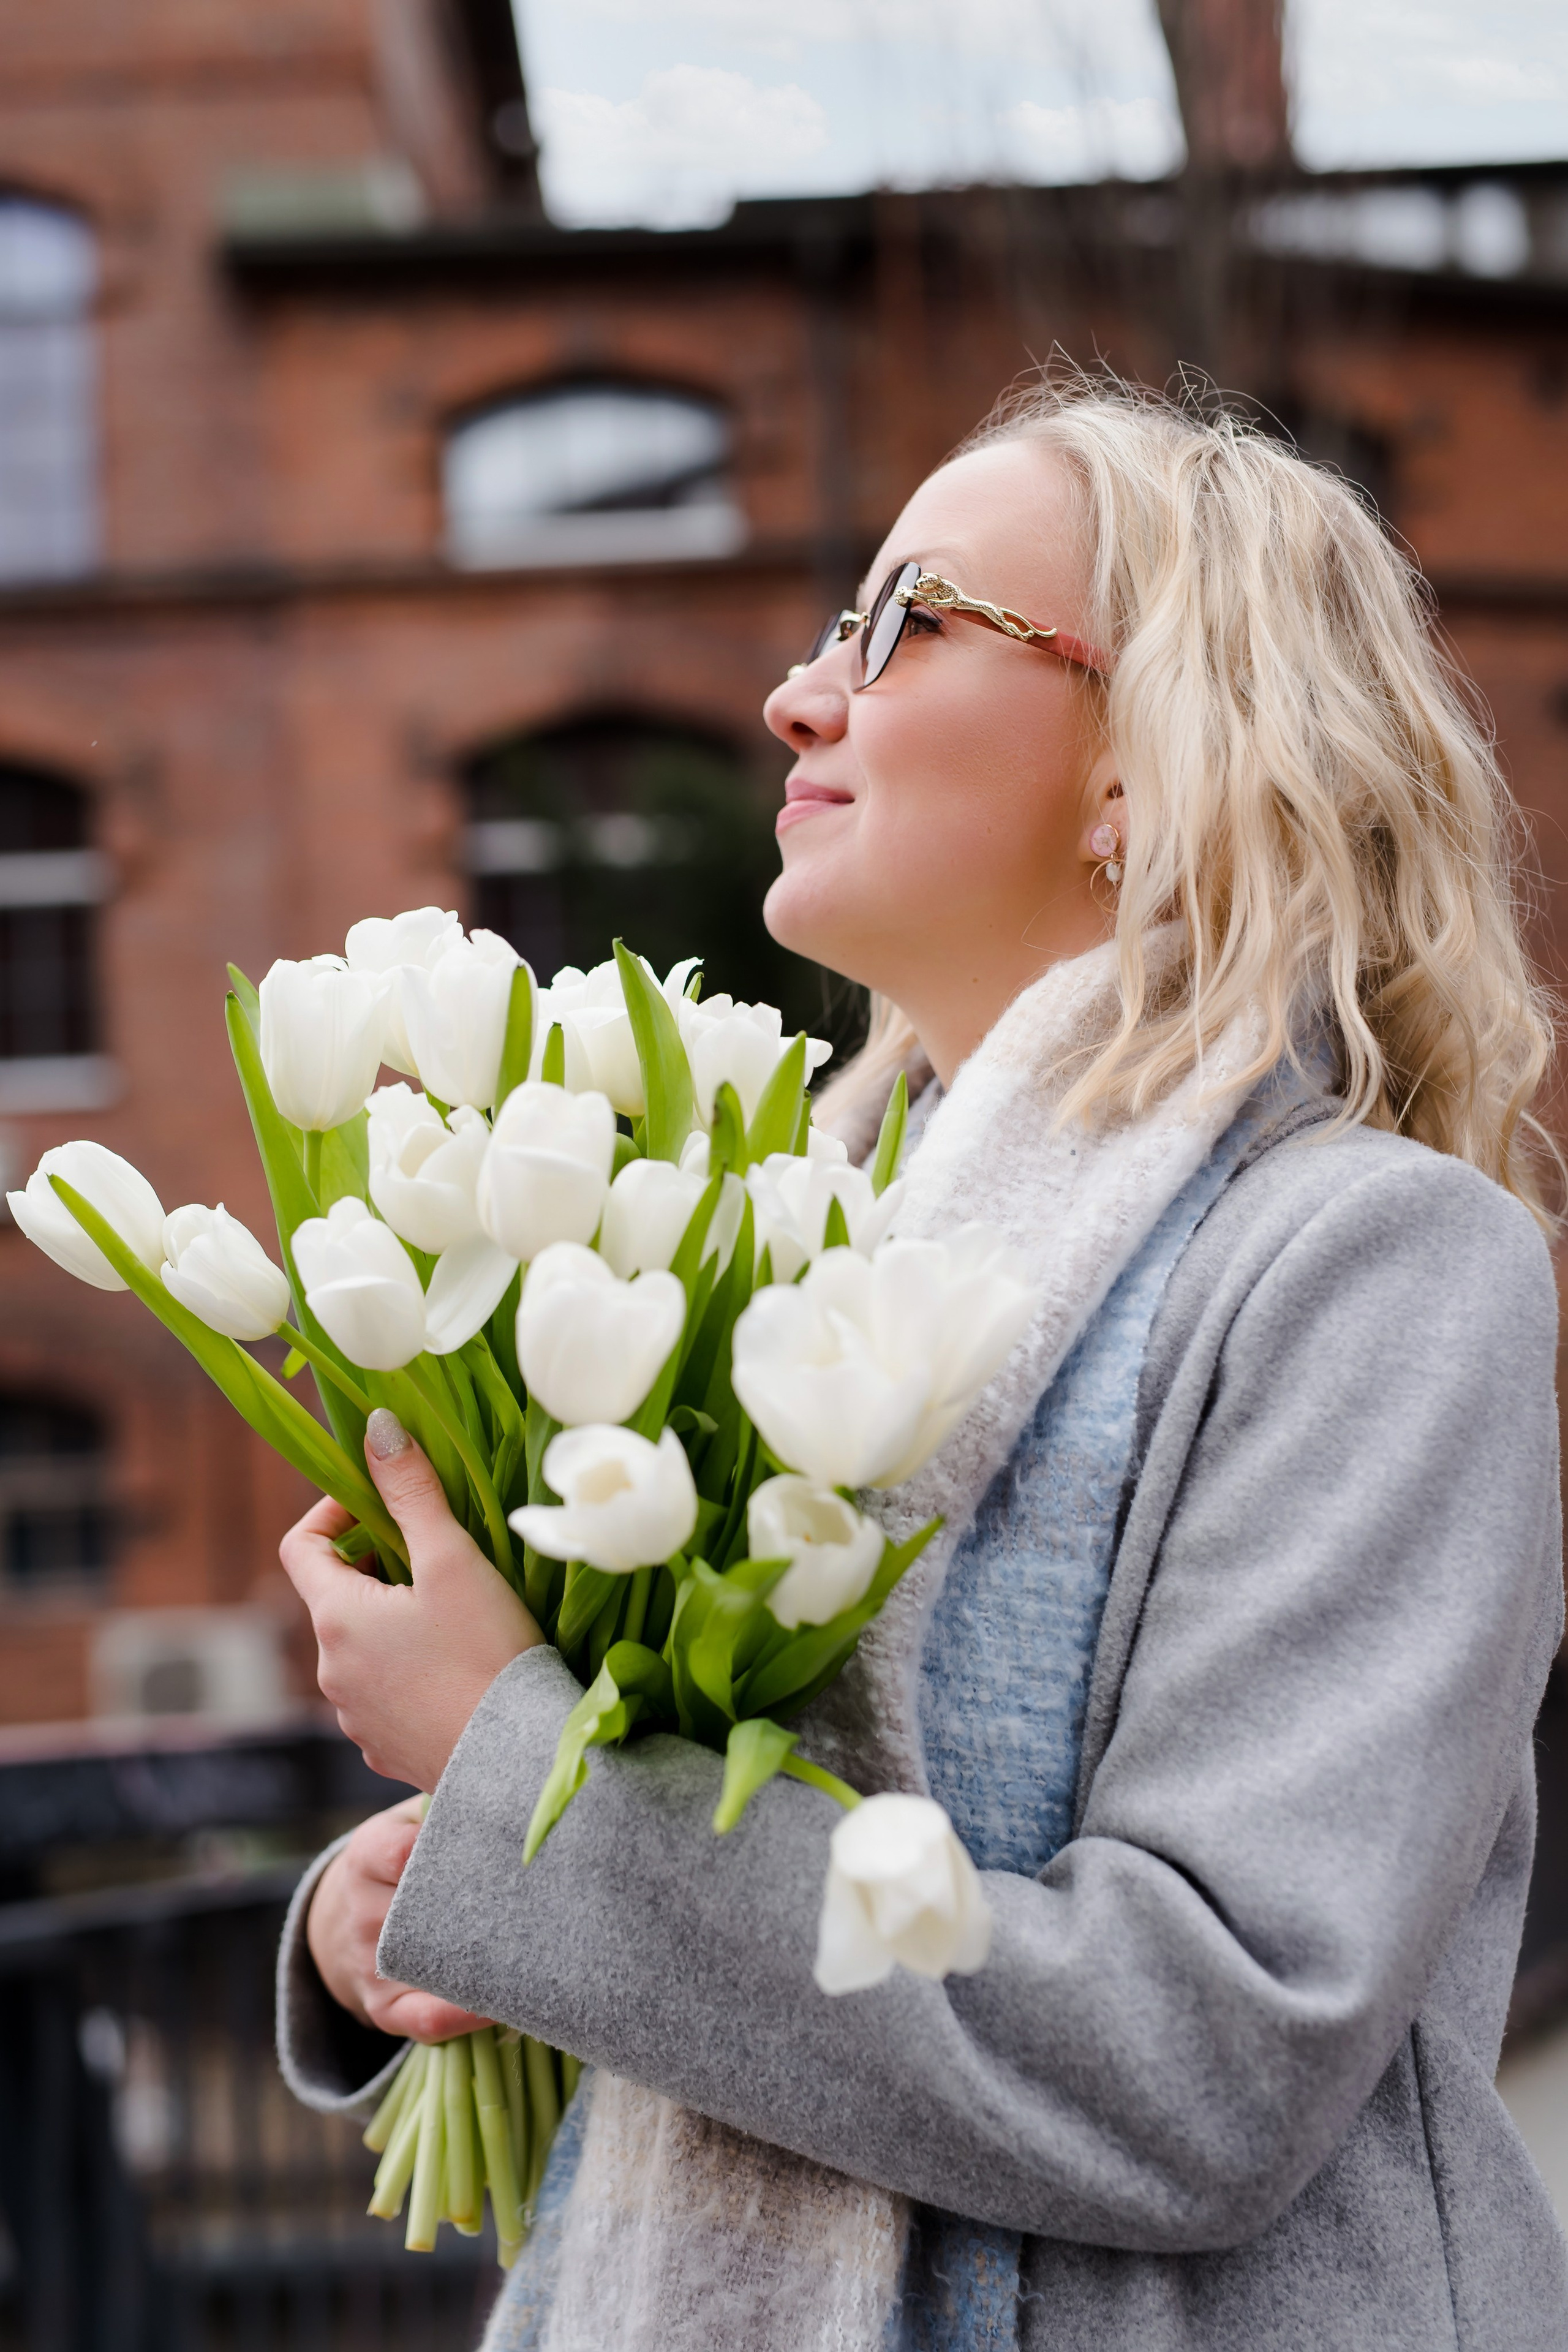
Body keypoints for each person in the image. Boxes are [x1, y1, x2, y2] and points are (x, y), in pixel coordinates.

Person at [276, 381, 1568, 2351]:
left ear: (1151, 754)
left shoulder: (1371, 1266)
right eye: (833, 628)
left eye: (907, 624)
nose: (799, 698)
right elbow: (693, 1888)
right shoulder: (761, 1246)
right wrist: (434, 1882)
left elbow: (1207, 2056)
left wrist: (522, 1776)